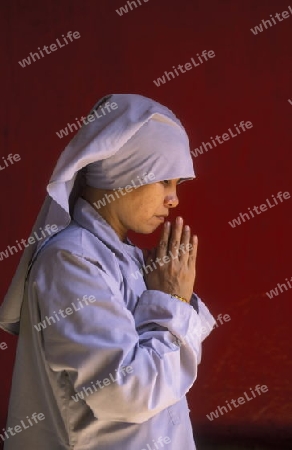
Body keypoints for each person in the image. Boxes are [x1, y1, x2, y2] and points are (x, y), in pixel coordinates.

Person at [0, 93, 215, 450]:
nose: (174, 199)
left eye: (178, 185)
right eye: (164, 181)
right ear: (122, 171)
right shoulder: (71, 261)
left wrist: (173, 298)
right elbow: (125, 394)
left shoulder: (128, 260)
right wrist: (171, 300)